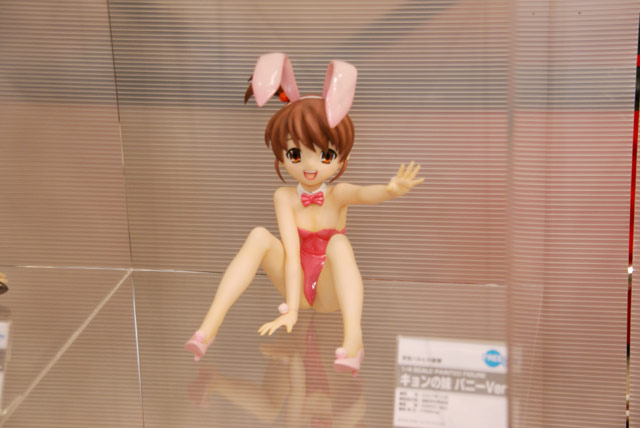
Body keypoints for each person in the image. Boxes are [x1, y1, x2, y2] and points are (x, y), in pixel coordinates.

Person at [185, 53, 423, 376]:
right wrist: (293, 310)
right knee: (258, 236)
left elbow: (364, 194)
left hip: (328, 293)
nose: (310, 167)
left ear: (341, 160)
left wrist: (390, 190)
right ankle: (207, 330)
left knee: (339, 244)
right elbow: (291, 252)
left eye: (325, 155)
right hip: (296, 288)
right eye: (296, 154)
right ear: (281, 156)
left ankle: (354, 341)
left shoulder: (337, 194)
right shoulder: (284, 197)